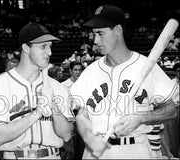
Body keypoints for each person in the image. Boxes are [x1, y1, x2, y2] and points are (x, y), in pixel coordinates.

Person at [70, 4, 178, 159]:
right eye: (94, 34)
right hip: (96, 151)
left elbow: (171, 110)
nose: (95, 40)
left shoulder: (146, 66)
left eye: (100, 33)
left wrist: (142, 118)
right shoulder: (90, 72)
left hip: (134, 149)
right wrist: (88, 136)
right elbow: (81, 114)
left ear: (118, 31)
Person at [0, 22, 74, 159]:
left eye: (50, 47)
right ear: (26, 48)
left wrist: (54, 107)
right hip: (15, 156)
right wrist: (37, 113)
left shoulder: (57, 87)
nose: (50, 52)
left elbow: (66, 135)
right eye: (43, 47)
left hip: (52, 156)